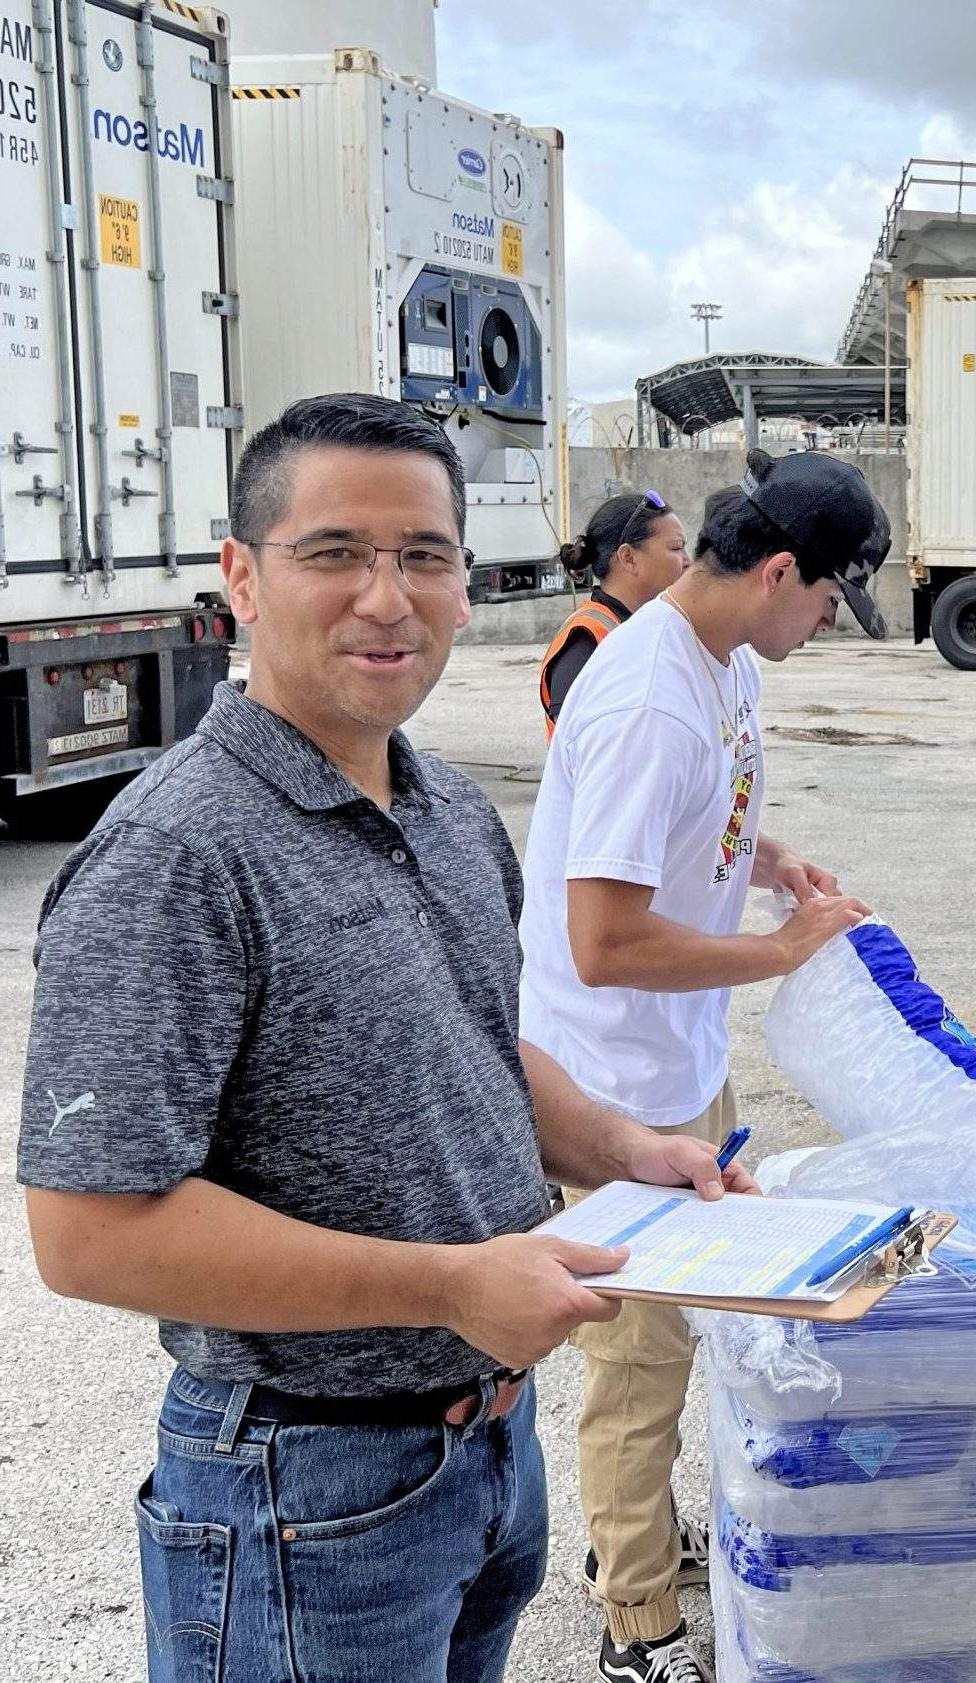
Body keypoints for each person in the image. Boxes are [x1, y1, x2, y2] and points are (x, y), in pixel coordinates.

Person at [15, 393, 757, 1683]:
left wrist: (624, 1145)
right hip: (303, 1485)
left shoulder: (449, 809)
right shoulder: (174, 858)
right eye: (335, 553)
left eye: (424, 556)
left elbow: (474, 1045)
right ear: (241, 578)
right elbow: (89, 1234)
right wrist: (451, 1283)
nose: (386, 597)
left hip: (482, 1450)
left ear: (468, 582)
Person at [519, 449, 888, 1682]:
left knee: (694, 1334)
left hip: (680, 1066)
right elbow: (604, 939)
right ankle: (636, 1627)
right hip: (606, 1085)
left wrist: (766, 859)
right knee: (633, 1367)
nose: (827, 623)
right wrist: (777, 948)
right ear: (779, 569)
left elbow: (706, 805)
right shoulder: (644, 699)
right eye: (829, 600)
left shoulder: (721, 655)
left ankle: (633, 1546)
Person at [541, 490, 691, 737]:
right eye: (676, 548)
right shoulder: (585, 640)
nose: (687, 561)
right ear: (628, 557)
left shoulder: (649, 625)